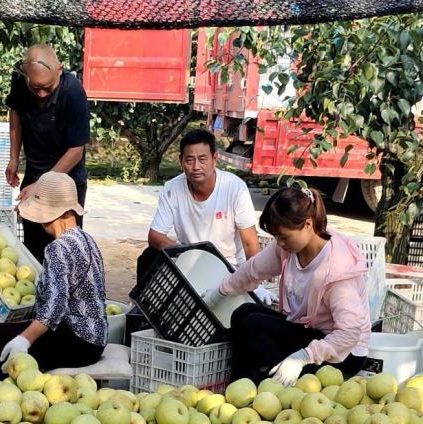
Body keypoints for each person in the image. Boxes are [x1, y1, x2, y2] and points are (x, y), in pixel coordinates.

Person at [0, 172, 107, 379]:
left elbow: (55, 308)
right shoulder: (85, 239)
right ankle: (0, 388)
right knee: (0, 344)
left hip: (76, 341)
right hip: (96, 339)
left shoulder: (57, 248)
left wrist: (24, 340)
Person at [202, 186, 371, 387]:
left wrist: (303, 357)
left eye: (284, 237)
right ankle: (241, 388)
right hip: (309, 331)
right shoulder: (288, 249)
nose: (280, 244)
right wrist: (219, 293)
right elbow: (252, 270)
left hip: (341, 354)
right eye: (276, 238)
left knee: (256, 325)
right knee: (244, 313)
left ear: (308, 224)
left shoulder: (337, 270)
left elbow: (350, 333)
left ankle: (259, 393)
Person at [138, 129, 260, 282]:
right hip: (187, 263)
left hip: (227, 268)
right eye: (189, 160)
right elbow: (155, 237)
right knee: (148, 257)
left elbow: (250, 244)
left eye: (202, 159)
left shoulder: (235, 188)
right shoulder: (172, 189)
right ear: (180, 161)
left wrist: (254, 281)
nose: (196, 166)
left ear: (214, 158)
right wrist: (192, 255)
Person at [6, 44, 90, 263]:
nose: (41, 94)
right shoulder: (20, 78)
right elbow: (15, 112)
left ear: (59, 70)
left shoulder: (73, 93)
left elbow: (76, 151)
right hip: (35, 172)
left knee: (65, 246)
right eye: (35, 88)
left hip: (67, 179)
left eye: (47, 88)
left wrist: (43, 185)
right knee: (33, 246)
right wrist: (14, 158)